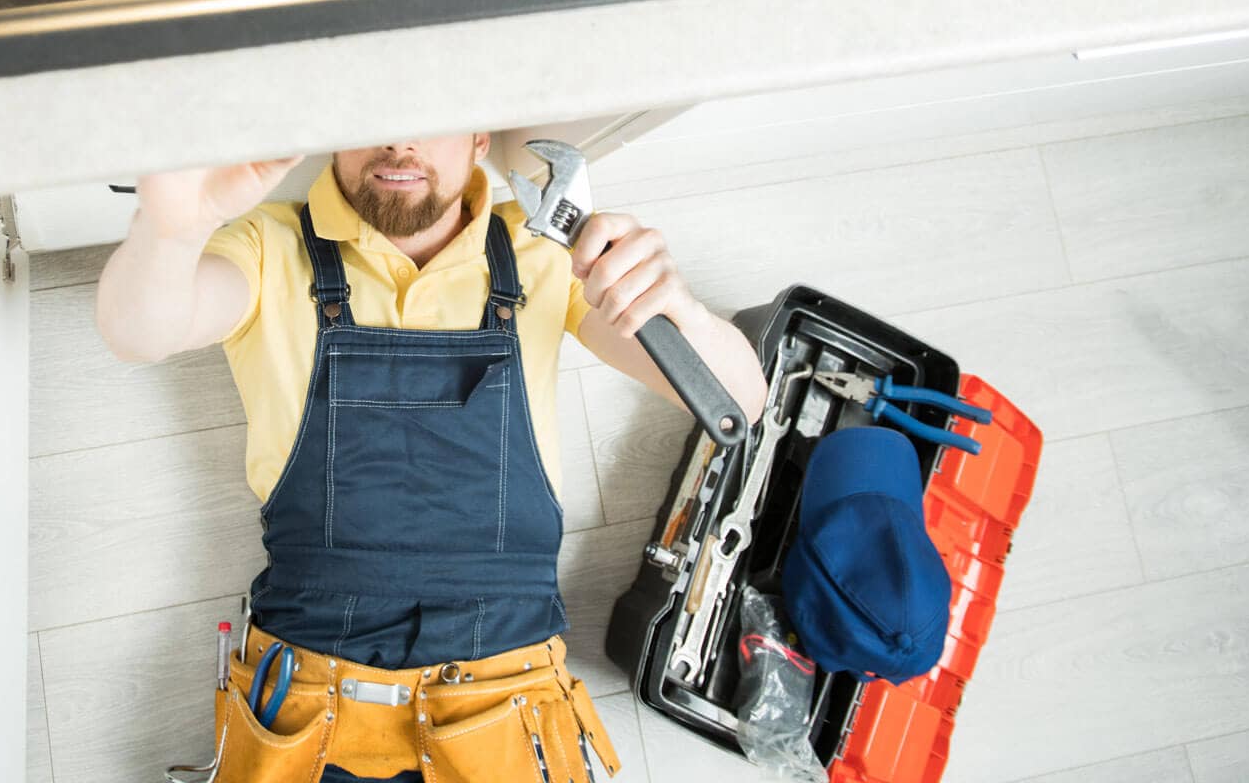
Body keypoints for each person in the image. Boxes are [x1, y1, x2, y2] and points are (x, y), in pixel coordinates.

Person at [96, 133, 768, 782]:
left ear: (480, 137)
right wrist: (173, 230)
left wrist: (673, 305)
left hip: (508, 708)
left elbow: (739, 399)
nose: (400, 142)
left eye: (429, 117)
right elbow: (137, 331)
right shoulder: (269, 245)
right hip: (309, 712)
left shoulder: (544, 253)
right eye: (373, 117)